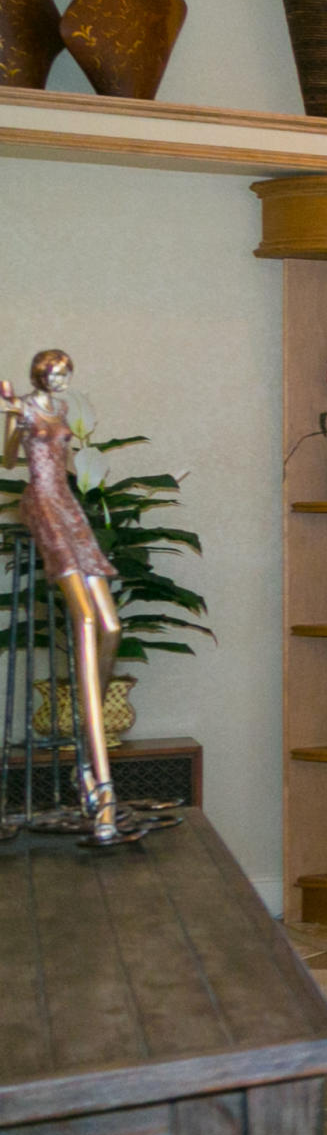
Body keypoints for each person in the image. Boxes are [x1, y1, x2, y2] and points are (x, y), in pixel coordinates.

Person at [3, 350, 124, 845]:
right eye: (56, 373)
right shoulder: (28, 409)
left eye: (66, 372)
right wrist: (12, 416)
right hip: (43, 506)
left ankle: (83, 721)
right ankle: (103, 794)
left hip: (69, 506)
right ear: (40, 375)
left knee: (113, 627)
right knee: (87, 622)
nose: (63, 379)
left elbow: (68, 462)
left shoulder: (61, 410)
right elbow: (10, 459)